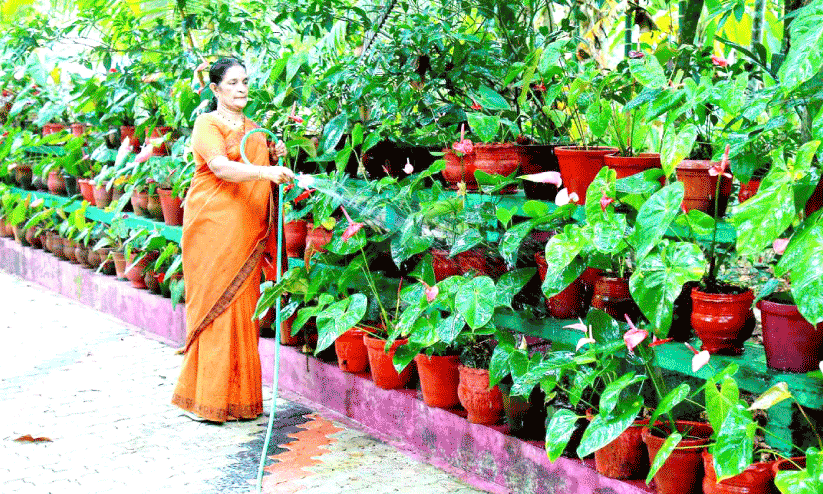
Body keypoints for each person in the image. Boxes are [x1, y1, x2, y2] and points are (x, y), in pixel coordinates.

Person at [171, 57, 294, 423]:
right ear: (215, 89)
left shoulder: (256, 130)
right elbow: (221, 167)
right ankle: (203, 399)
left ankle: (239, 401)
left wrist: (276, 156)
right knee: (215, 310)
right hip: (212, 228)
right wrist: (266, 169)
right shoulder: (206, 124)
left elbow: (264, 173)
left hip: (246, 231)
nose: (241, 89)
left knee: (243, 312)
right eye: (233, 82)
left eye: (245, 81)